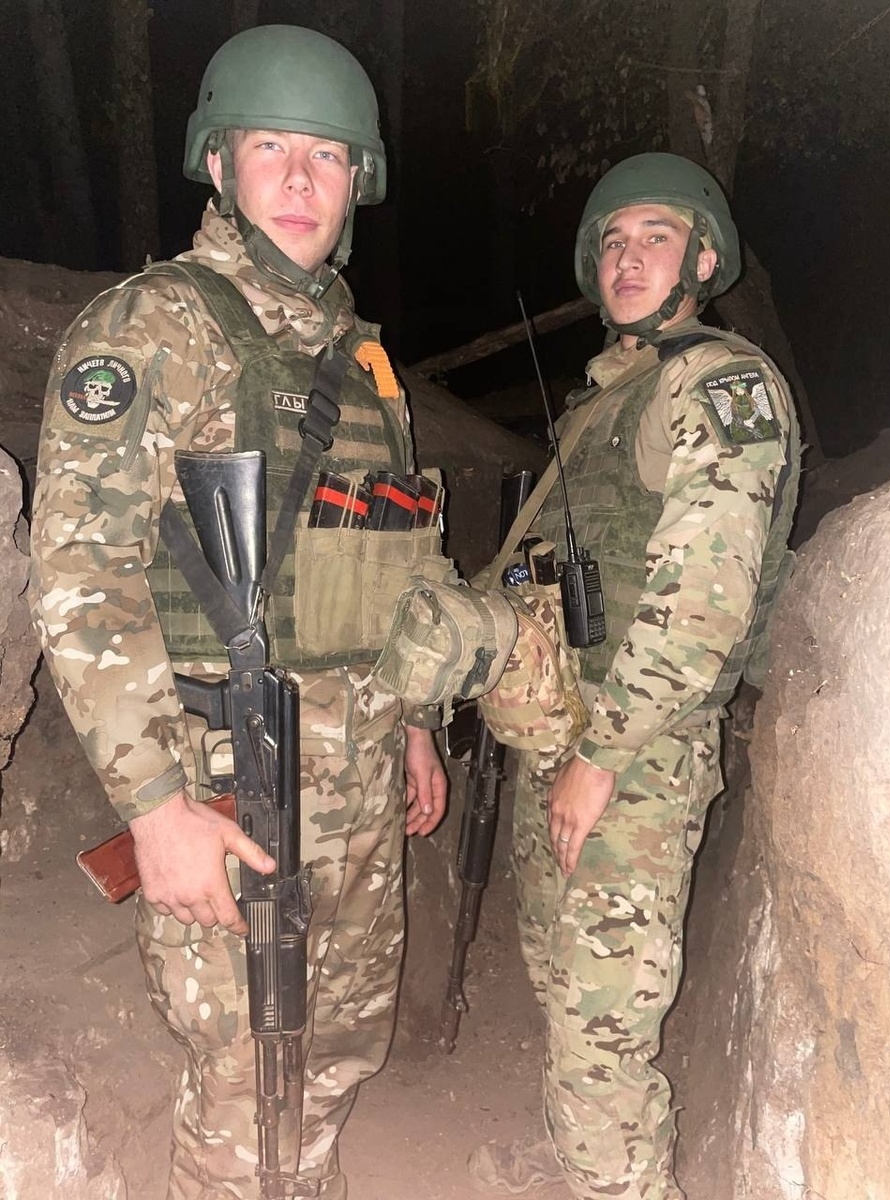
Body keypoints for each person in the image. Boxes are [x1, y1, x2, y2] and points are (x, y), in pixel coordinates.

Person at [29, 25, 452, 1200]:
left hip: (360, 784)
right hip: (232, 787)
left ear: (359, 181)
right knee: (239, 1084)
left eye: (329, 155)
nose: (303, 179)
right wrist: (154, 807)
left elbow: (398, 558)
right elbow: (81, 573)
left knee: (336, 1054)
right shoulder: (155, 327)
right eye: (273, 147)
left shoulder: (366, 361)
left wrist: (416, 721)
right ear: (218, 161)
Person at [468, 153, 800, 1199]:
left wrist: (604, 754)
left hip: (637, 751)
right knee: (558, 976)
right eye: (612, 240)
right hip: (562, 732)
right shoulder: (608, 401)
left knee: (602, 1022)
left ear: (701, 260)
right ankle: (584, 1163)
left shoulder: (718, 381)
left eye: (655, 236)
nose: (627, 256)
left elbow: (703, 595)